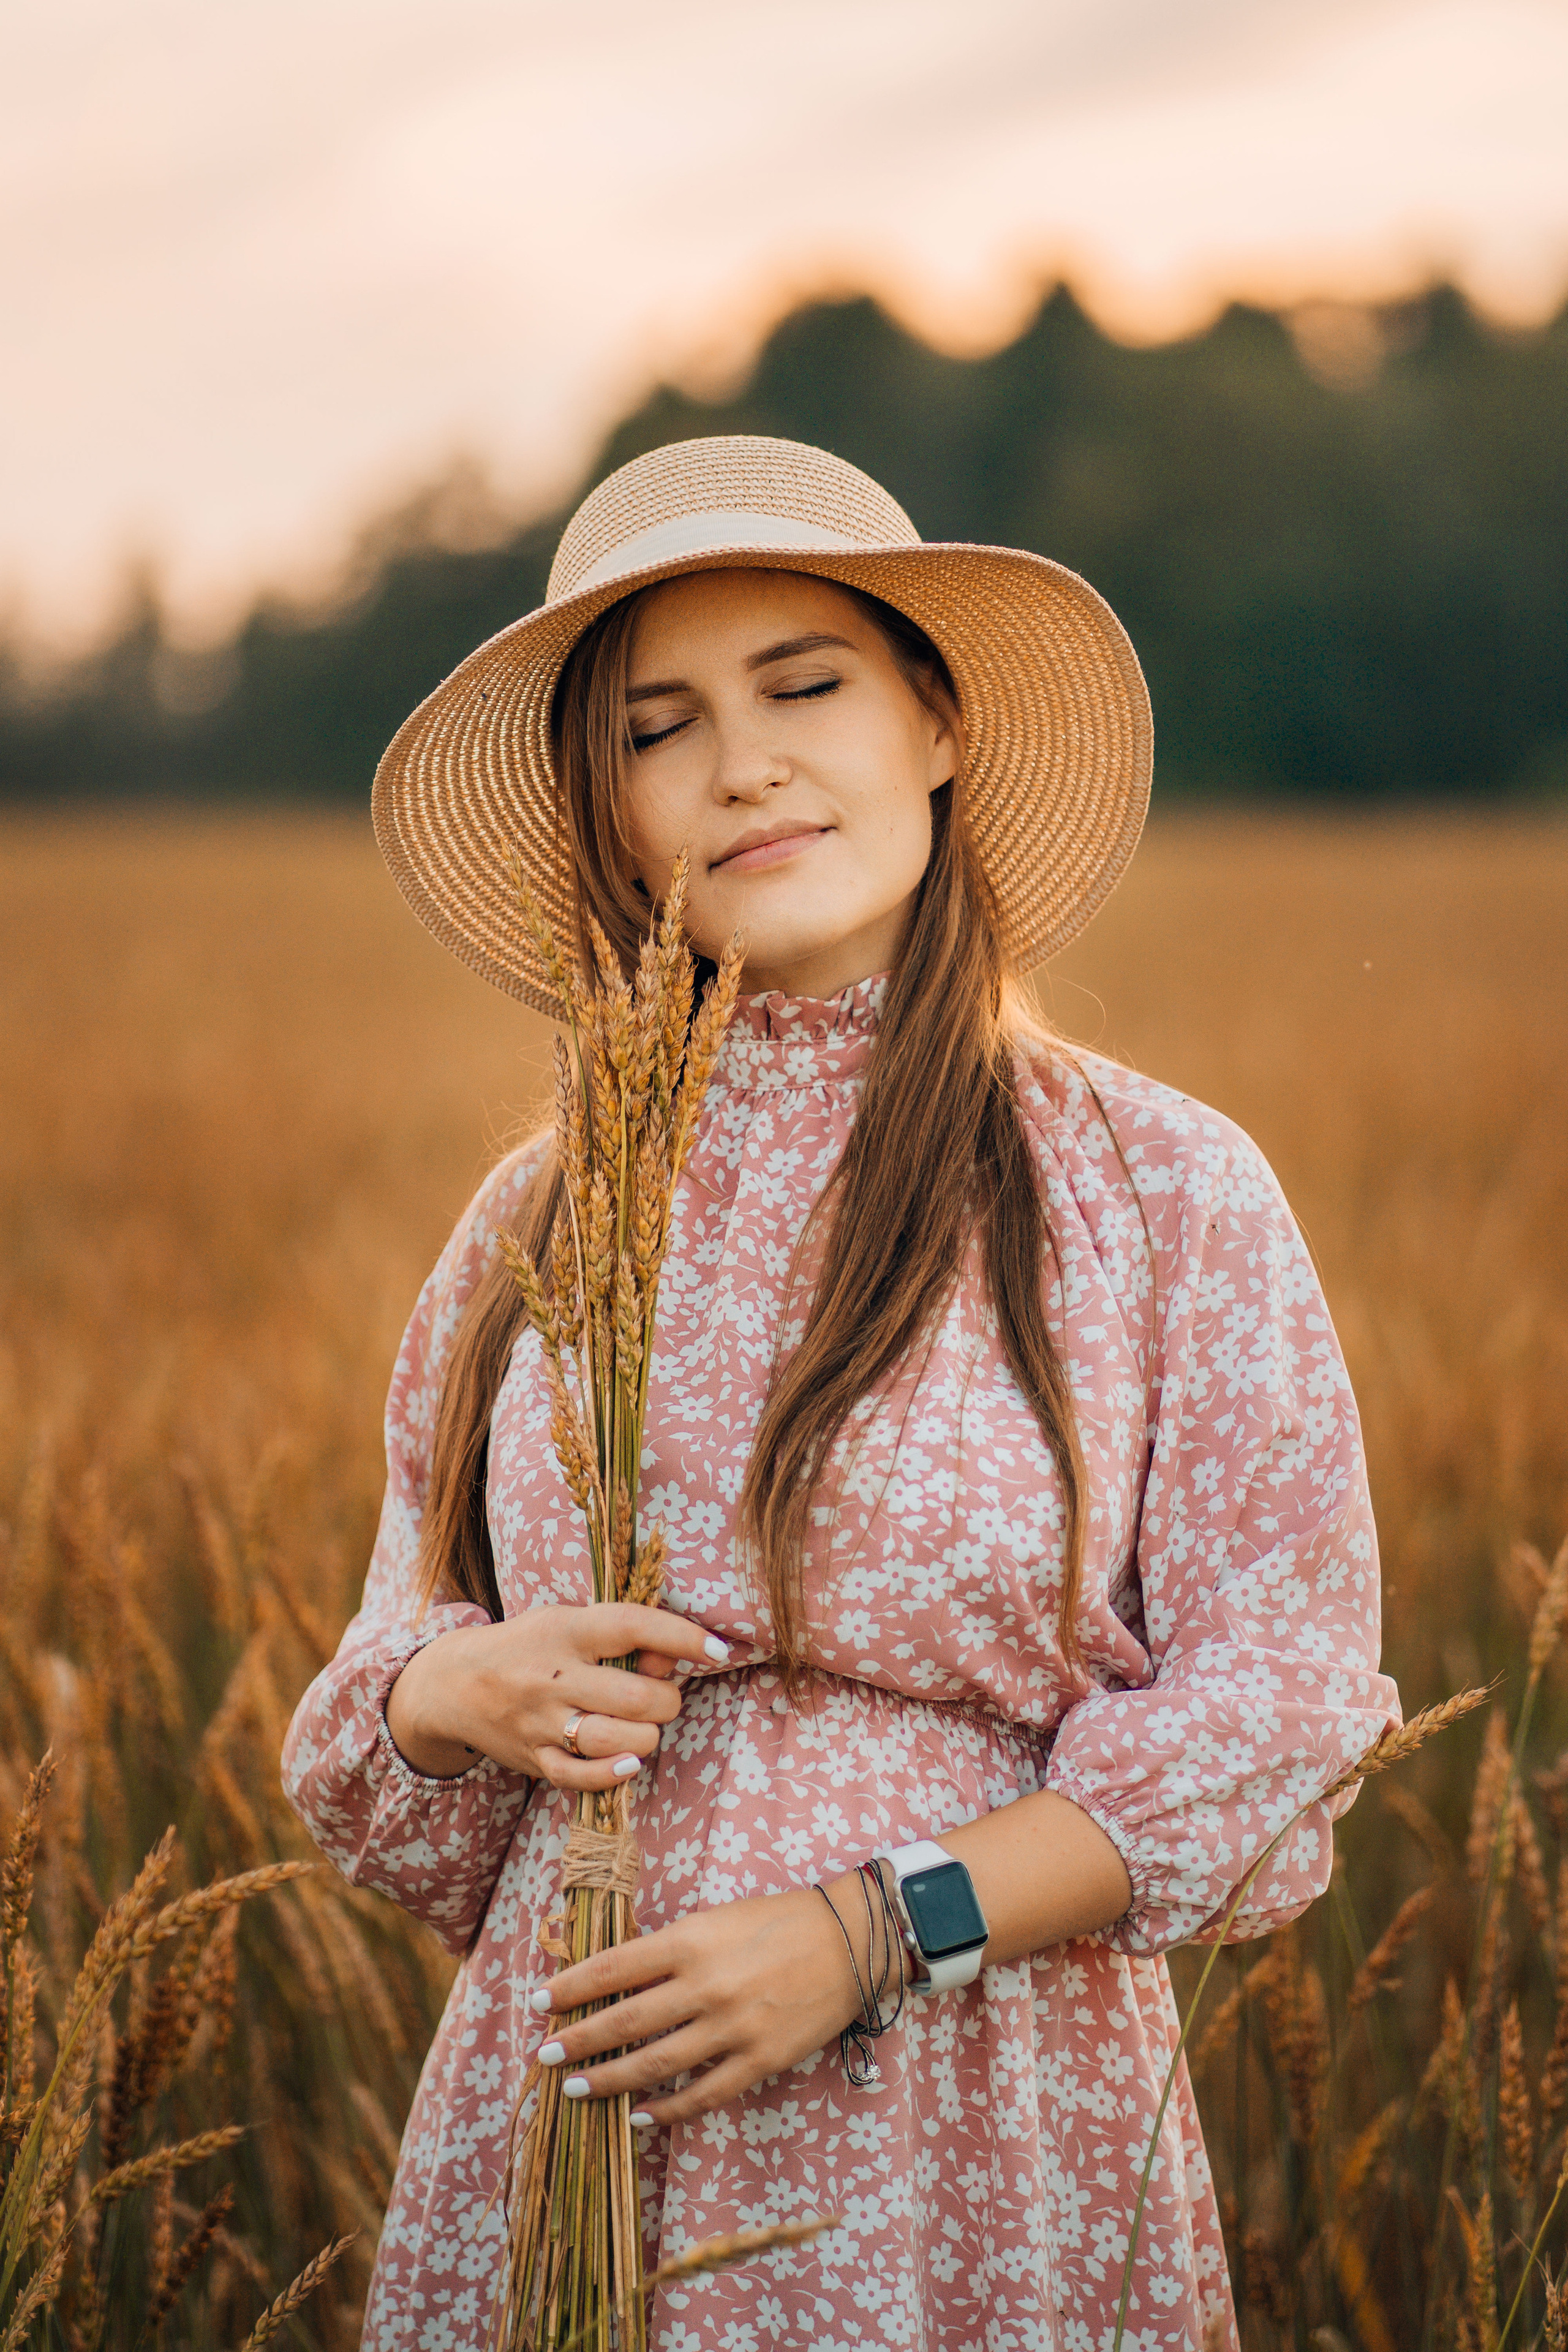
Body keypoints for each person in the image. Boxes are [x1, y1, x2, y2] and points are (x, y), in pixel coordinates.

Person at [282, 434, 1398, 2352]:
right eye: (660, 729)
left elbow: (1284, 1701)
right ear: (608, 805)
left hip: (980, 2120)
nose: (743, 766)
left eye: (806, 686)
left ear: (936, 722)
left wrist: (879, 1932)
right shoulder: (544, 1212)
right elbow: (400, 1708)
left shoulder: (1151, 1184)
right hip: (573, 2119)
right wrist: (448, 1694)